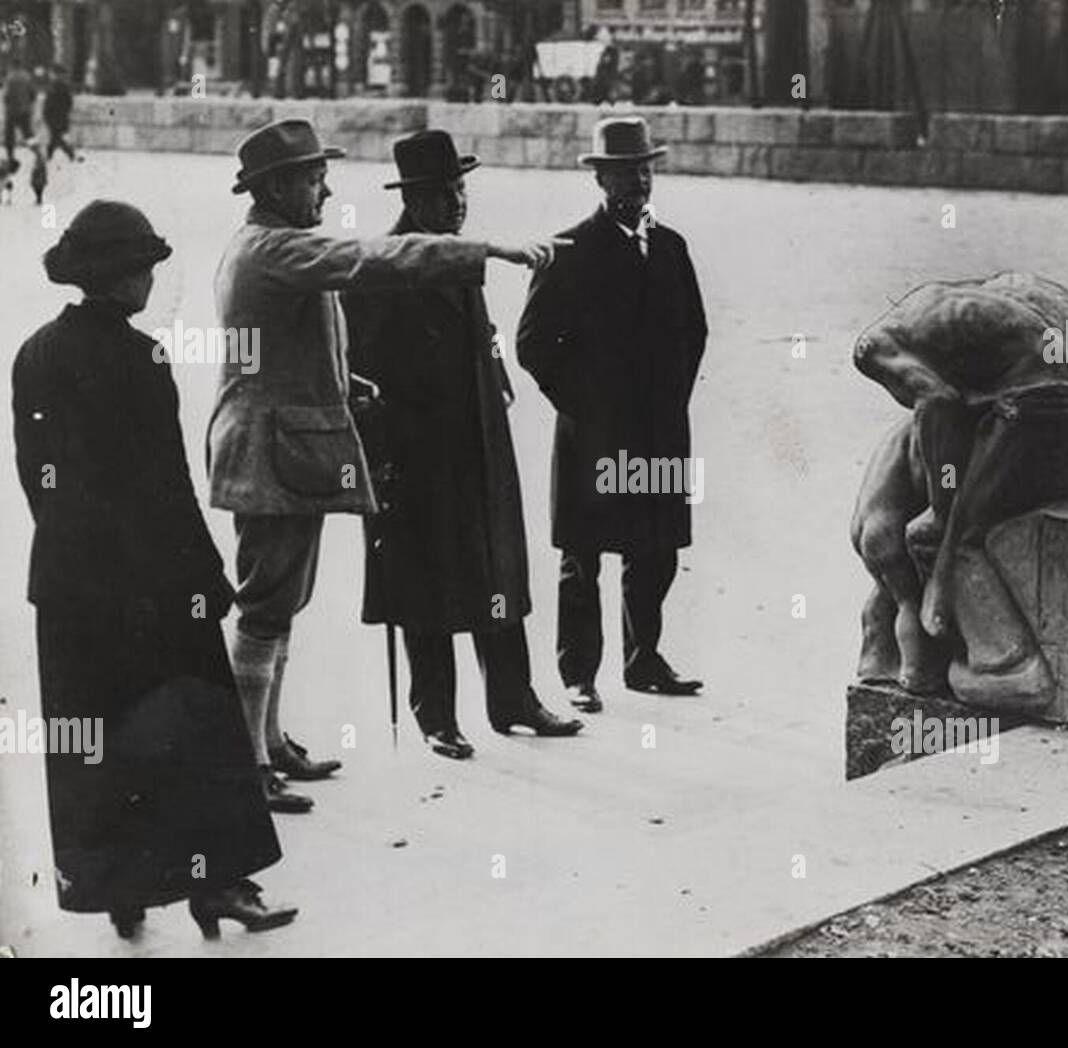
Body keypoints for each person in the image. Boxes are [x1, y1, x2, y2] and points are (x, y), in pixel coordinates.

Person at [208, 119, 565, 807]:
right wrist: (488, 249)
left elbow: (298, 349)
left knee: (281, 605)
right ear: (277, 186)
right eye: (314, 177)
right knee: (264, 611)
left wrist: (352, 387)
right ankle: (246, 763)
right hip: (270, 457)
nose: (326, 187)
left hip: (280, 452)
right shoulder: (274, 248)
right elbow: (373, 260)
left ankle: (269, 744)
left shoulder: (263, 246)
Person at [12, 200, 296, 941]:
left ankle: (119, 889)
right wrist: (202, 579)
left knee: (94, 743)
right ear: (118, 275)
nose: (151, 279)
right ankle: (220, 886)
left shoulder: (35, 354)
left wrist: (80, 562)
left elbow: (38, 478)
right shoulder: (142, 361)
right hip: (155, 591)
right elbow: (165, 486)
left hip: (73, 591)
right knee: (196, 733)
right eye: (144, 266)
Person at [343, 130, 582, 758]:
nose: (456, 202)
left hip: (478, 436)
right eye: (443, 192)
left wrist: (496, 376)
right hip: (419, 454)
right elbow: (358, 374)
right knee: (425, 585)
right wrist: (379, 462)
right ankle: (436, 716)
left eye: (461, 188)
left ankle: (514, 700)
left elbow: (484, 331)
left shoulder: (455, 252)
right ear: (414, 197)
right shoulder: (383, 263)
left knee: (498, 566)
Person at [849, 272, 1068, 712]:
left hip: (1040, 411)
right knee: (955, 516)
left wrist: (944, 506)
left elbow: (936, 402)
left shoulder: (873, 349)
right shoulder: (990, 302)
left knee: (941, 536)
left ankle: (1008, 668)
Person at [517, 116, 708, 714]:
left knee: (656, 550)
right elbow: (532, 345)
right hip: (593, 437)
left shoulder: (672, 247)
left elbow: (696, 330)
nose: (640, 183)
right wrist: (586, 407)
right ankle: (579, 674)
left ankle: (644, 659)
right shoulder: (570, 252)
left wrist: (671, 398)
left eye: (646, 170)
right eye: (626, 173)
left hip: (659, 432)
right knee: (584, 555)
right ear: (600, 179)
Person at [3, 63, 35, 167]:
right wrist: (27, 104)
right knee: (29, 134)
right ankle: (38, 154)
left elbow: (6, 96)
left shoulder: (9, 78)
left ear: (12, 67)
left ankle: (10, 157)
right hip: (25, 111)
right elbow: (33, 94)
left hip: (11, 111)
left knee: (9, 136)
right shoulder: (27, 77)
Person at [42, 64, 76, 161]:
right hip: (61, 116)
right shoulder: (64, 86)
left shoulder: (53, 85)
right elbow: (69, 102)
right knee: (55, 136)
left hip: (53, 116)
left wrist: (46, 114)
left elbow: (49, 102)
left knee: (55, 137)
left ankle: (69, 153)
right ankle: (51, 155)